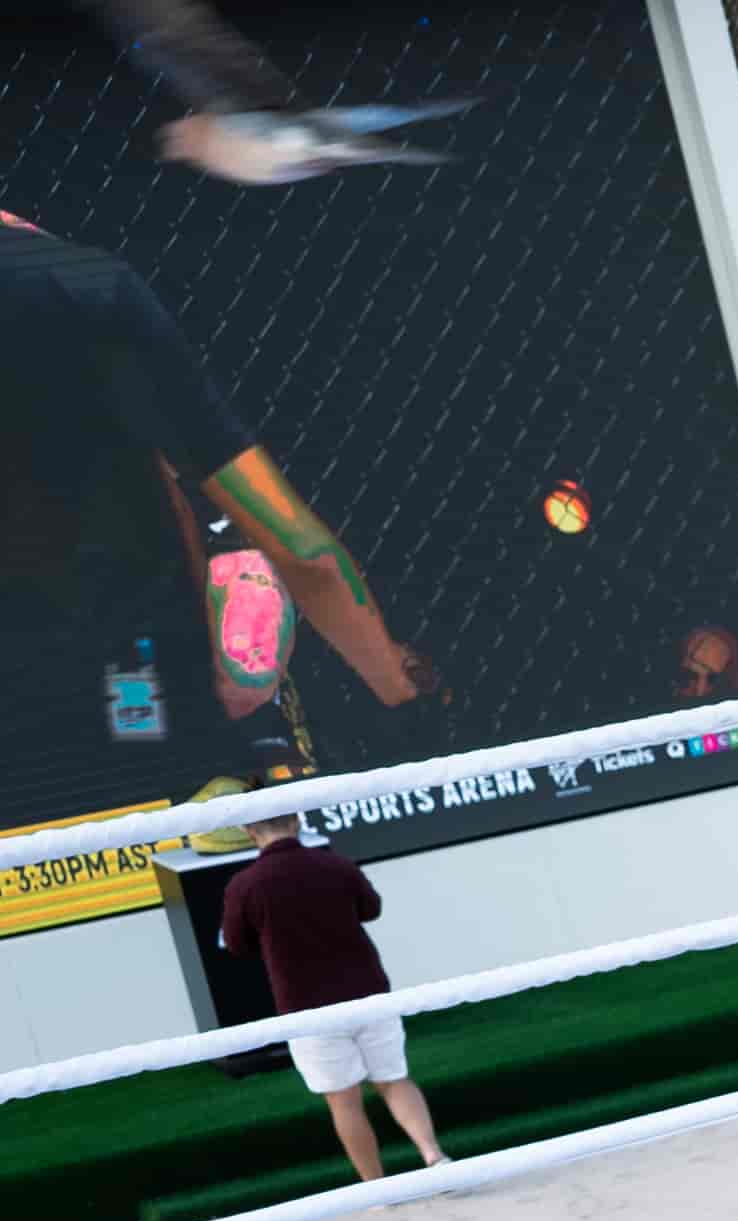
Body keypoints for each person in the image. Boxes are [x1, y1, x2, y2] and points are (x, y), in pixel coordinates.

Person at [2, 205, 431, 843]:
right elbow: (301, 551)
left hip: (116, 674)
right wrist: (400, 693)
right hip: (127, 660)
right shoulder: (83, 287)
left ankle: (230, 776)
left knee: (211, 637)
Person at [221, 812, 445, 1181]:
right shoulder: (335, 864)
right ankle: (434, 1156)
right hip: (368, 992)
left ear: (249, 832)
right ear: (296, 822)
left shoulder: (244, 884)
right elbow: (371, 909)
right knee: (394, 1080)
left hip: (306, 1006)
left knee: (344, 1101)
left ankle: (377, 1189)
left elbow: (236, 944)